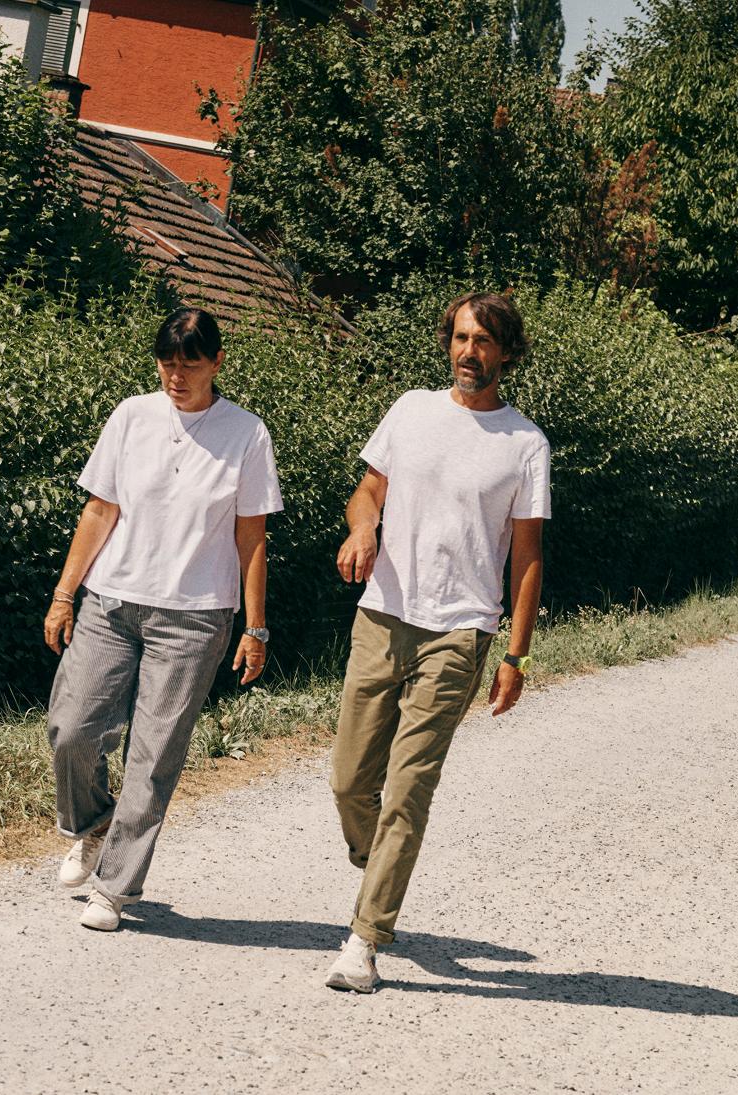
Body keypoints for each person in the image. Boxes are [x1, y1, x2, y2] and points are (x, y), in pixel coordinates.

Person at [323, 291, 550, 992]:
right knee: (350, 780)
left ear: (506, 353)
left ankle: (365, 937)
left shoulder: (524, 444)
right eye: (460, 337)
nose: (468, 352)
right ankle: (379, 855)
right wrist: (364, 527)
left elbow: (527, 557)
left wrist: (515, 654)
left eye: (483, 341)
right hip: (384, 613)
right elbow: (368, 490)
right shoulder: (411, 409)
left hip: (460, 630)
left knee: (409, 788)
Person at [43, 307, 283, 932]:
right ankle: (92, 824)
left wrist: (256, 628)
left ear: (217, 363)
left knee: (153, 756)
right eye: (167, 363)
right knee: (71, 726)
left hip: (196, 617)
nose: (176, 376)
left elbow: (250, 536)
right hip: (111, 601)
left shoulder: (247, 434)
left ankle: (115, 888)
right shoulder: (131, 415)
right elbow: (100, 510)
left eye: (190, 364)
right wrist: (65, 593)